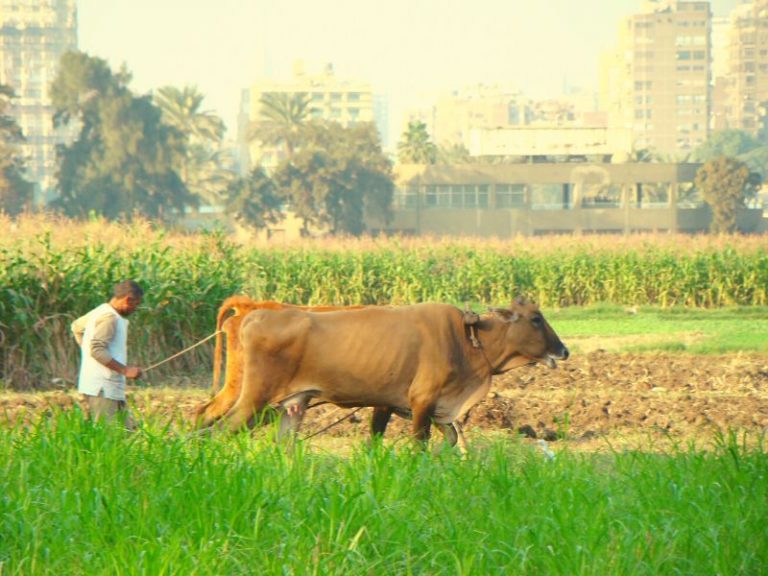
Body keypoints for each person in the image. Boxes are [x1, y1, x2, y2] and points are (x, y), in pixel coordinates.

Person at [71, 279, 144, 427]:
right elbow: (97, 349)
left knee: (130, 431)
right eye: (135, 304)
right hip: (102, 388)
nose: (135, 308)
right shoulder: (110, 318)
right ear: (127, 300)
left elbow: (76, 327)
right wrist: (125, 370)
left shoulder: (101, 310)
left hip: (107, 387)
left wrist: (86, 352)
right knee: (107, 435)